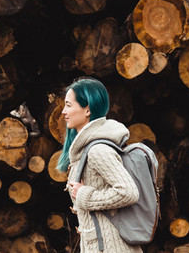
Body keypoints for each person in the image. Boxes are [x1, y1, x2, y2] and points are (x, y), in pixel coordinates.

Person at [57, 77, 141, 252]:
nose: (64, 111)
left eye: (69, 105)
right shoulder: (86, 149)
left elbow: (128, 192)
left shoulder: (98, 151)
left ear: (87, 109)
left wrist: (85, 195)